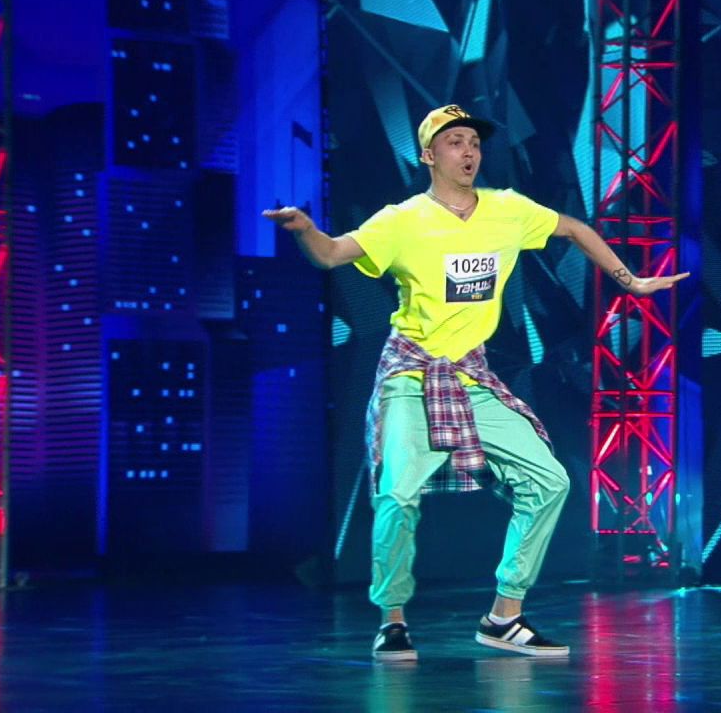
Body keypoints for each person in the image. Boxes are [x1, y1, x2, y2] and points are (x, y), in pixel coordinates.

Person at [262, 104, 688, 661]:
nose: (468, 152)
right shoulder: (401, 220)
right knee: (397, 495)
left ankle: (504, 616)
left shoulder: (508, 210)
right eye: (455, 142)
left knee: (551, 481)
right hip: (412, 375)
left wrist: (630, 282)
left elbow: (574, 229)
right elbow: (332, 253)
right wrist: (305, 230)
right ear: (428, 154)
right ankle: (393, 619)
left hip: (471, 375)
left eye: (474, 142)